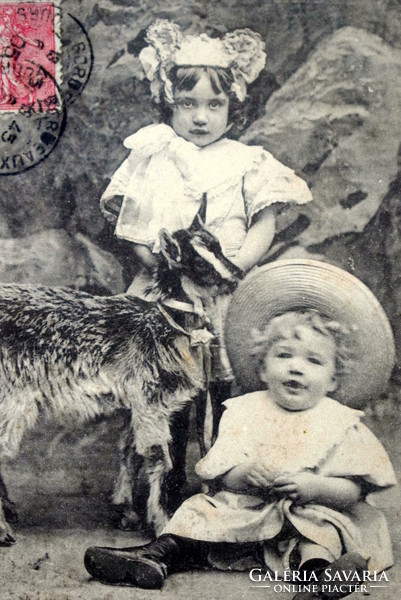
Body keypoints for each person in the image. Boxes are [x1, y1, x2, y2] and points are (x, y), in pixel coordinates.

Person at [84, 305, 396, 599]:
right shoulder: (244, 411)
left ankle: (318, 579)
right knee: (199, 511)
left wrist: (314, 487)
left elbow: (353, 490)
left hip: (311, 510)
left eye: (314, 361)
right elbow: (223, 472)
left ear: (333, 380)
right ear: (262, 368)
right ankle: (156, 556)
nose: (296, 368)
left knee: (321, 534)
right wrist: (244, 474)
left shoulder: (340, 422)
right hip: (247, 508)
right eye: (284, 355)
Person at [99, 20, 313, 439]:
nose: (200, 117)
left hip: (223, 292)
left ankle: (220, 465)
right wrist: (162, 266)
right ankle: (168, 473)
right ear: (169, 102)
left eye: (214, 105)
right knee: (166, 384)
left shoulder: (246, 160)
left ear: (232, 106)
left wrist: (232, 266)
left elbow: (263, 222)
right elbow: (133, 225)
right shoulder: (154, 151)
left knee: (224, 387)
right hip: (167, 290)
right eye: (187, 103)